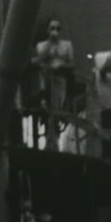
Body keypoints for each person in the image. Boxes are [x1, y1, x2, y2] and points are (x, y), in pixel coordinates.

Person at [32, 18, 75, 151]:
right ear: (48, 30)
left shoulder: (66, 45)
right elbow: (36, 61)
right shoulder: (41, 45)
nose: (55, 31)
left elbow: (72, 64)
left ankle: (55, 140)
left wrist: (61, 65)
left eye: (57, 28)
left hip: (59, 79)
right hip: (45, 80)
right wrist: (49, 47)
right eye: (52, 28)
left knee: (57, 109)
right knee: (46, 109)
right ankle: (47, 140)